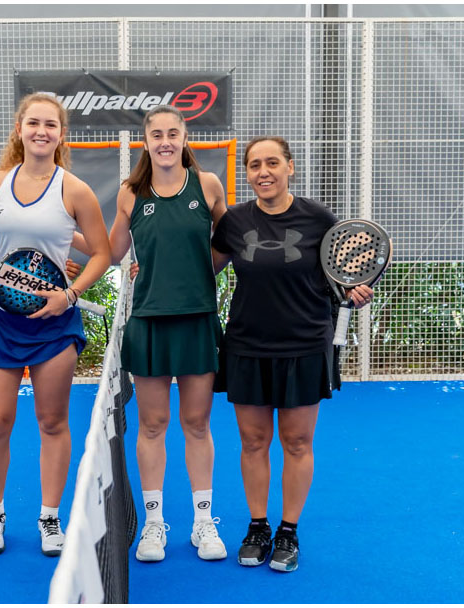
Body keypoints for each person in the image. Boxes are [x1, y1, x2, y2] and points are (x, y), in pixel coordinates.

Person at [210, 136, 374, 572]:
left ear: (290, 167)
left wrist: (354, 291)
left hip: (304, 345)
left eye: (272, 163)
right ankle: (258, 527)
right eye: (254, 165)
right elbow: (203, 269)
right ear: (247, 173)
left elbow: (344, 273)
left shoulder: (319, 219)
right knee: (253, 441)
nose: (263, 172)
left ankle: (288, 531)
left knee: (297, 442)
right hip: (246, 345)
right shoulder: (234, 221)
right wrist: (153, 266)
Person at [0, 93, 111, 557]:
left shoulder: (76, 190)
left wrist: (69, 294)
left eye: (50, 125)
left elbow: (102, 253)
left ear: (61, 134)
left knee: (52, 421)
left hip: (54, 324)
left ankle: (50, 518)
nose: (41, 131)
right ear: (19, 129)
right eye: (33, 123)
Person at [106, 105, 229, 562]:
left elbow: (231, 243)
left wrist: (195, 272)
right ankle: (153, 525)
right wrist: (57, 242)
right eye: (156, 134)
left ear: (184, 137)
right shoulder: (130, 193)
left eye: (172, 133)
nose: (164, 141)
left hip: (197, 320)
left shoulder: (208, 185)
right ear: (146, 141)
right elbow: (111, 251)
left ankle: (203, 523)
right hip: (149, 322)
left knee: (197, 424)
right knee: (152, 424)